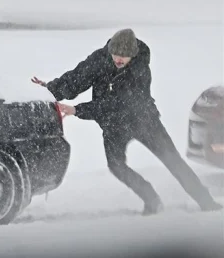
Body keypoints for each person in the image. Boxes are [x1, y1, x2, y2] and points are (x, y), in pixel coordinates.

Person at [32, 28, 222, 215]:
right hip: (114, 126)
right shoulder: (100, 59)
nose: (118, 59)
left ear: (133, 55)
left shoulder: (140, 68)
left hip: (145, 122)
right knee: (116, 166)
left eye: (124, 56)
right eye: (115, 54)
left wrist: (78, 109)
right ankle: (151, 199)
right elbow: (75, 79)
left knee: (172, 160)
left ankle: (207, 203)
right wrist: (49, 89)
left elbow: (121, 103)